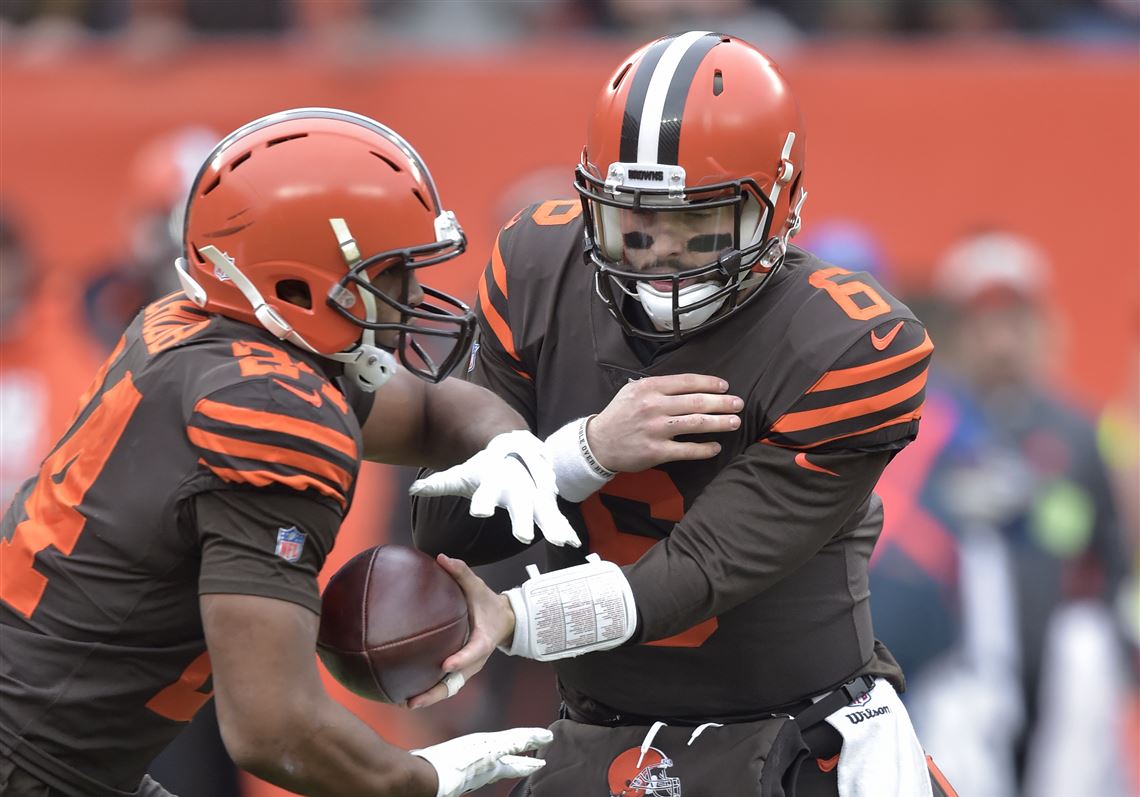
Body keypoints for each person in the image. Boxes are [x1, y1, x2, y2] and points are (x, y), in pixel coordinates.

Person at [411, 32, 955, 796]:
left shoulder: (850, 341)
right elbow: (445, 526)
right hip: (601, 733)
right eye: (633, 220)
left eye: (698, 221)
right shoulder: (539, 264)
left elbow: (699, 570)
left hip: (801, 738)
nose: (660, 251)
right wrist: (584, 451)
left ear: (780, 201)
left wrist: (512, 616)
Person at [0, 107, 602, 797]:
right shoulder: (269, 412)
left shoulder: (195, 330)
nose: (410, 292)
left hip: (56, 747)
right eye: (392, 269)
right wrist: (424, 775)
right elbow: (273, 727)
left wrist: (510, 444)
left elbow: (433, 409)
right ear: (298, 281)